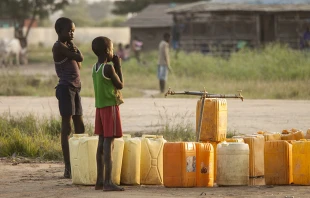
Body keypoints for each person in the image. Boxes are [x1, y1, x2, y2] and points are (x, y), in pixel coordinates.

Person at [52, 17, 85, 178]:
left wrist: (73, 46)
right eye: (69, 30)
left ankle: (81, 162)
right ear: (59, 32)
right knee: (67, 128)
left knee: (80, 127)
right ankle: (68, 167)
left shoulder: (68, 47)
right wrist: (74, 49)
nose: (72, 33)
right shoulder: (58, 47)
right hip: (65, 89)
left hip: (75, 88)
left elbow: (78, 64)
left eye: (73, 31)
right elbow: (80, 58)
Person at [91, 36, 124, 191]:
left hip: (99, 108)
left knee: (101, 142)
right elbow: (120, 85)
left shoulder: (94, 68)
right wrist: (118, 66)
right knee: (108, 143)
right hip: (110, 107)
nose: (113, 52)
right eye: (112, 49)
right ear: (107, 51)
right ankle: (108, 182)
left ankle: (99, 181)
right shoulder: (108, 68)